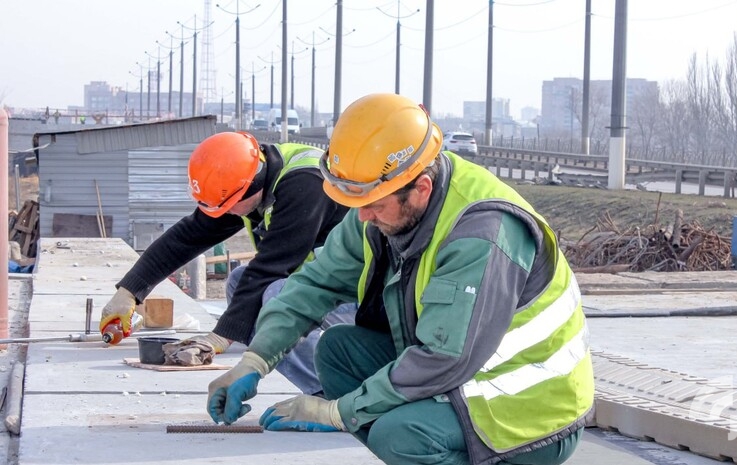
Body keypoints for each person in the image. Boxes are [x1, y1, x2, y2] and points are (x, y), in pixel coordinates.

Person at [206, 94, 594, 465]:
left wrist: (337, 413)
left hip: (530, 408)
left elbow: (443, 359)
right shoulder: (386, 205)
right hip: (467, 376)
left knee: (400, 435)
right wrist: (254, 362)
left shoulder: (481, 232)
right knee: (338, 352)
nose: (362, 217)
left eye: (373, 204)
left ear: (420, 188)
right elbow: (312, 286)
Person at [99, 131, 353, 395]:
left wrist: (219, 337)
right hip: (330, 290)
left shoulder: (306, 184)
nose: (226, 213)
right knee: (238, 280)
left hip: (364, 298)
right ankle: (320, 388)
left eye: (230, 205)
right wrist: (129, 291)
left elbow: (270, 268)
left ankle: (335, 396)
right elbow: (188, 236)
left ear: (252, 186)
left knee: (276, 295)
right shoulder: (248, 180)